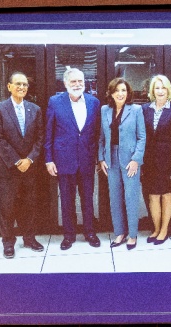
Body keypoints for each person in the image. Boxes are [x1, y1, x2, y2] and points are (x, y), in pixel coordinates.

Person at [45, 67, 102, 251]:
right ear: (65, 83)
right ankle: (68, 235)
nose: (77, 85)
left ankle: (89, 232)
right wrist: (49, 159)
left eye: (80, 81)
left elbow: (96, 133)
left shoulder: (94, 102)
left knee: (87, 198)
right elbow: (49, 133)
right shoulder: (55, 102)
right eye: (73, 82)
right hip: (64, 159)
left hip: (86, 159)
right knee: (67, 200)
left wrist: (97, 157)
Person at [0, 71, 45, 258]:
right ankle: (8, 242)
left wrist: (29, 159)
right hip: (7, 167)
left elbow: (39, 138)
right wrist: (16, 161)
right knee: (7, 207)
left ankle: (29, 239)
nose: (22, 87)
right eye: (18, 84)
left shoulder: (35, 109)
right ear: (9, 86)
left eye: (25, 85)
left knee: (29, 205)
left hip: (29, 167)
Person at [98, 77, 146, 250]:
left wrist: (136, 159)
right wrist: (101, 158)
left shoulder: (136, 110)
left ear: (128, 93)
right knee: (115, 198)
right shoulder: (105, 110)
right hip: (111, 159)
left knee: (131, 197)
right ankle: (120, 233)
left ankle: (132, 235)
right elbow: (101, 137)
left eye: (124, 90)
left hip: (130, 160)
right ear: (111, 93)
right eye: (117, 90)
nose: (120, 93)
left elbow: (142, 137)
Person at [141, 75, 171, 244]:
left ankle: (164, 230)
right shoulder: (144, 109)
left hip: (168, 162)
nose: (160, 91)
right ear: (152, 91)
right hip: (149, 161)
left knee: (166, 196)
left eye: (163, 88)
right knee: (152, 196)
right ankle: (156, 228)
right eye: (157, 88)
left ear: (168, 90)